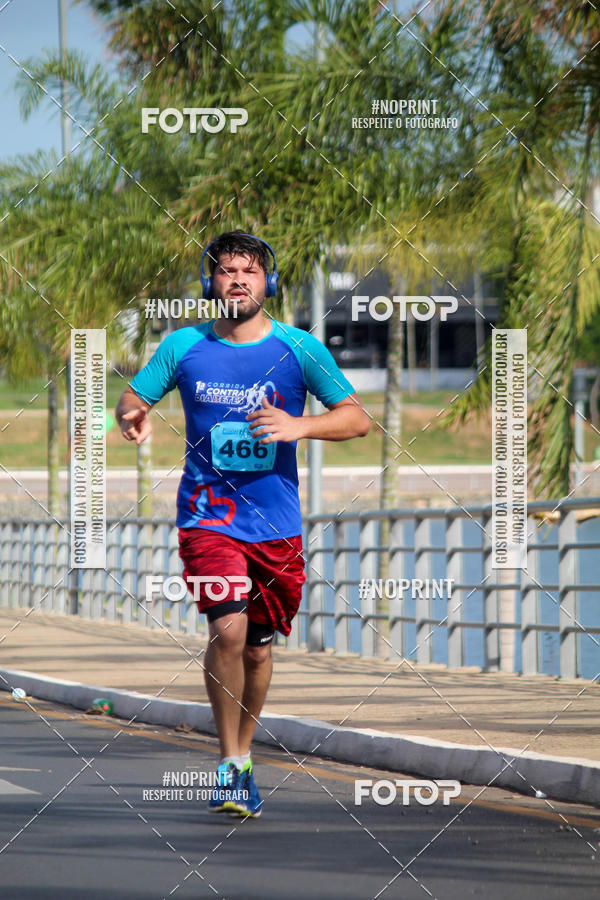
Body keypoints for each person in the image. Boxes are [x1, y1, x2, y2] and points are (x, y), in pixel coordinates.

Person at [115, 230, 369, 818]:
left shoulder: (300, 349)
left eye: (249, 272)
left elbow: (356, 420)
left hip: (276, 525)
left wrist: (297, 427)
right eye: (226, 271)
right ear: (211, 283)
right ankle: (228, 764)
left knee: (257, 649)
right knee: (227, 632)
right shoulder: (183, 347)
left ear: (267, 283)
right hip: (208, 518)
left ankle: (246, 754)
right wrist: (133, 416)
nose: (237, 280)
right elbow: (133, 397)